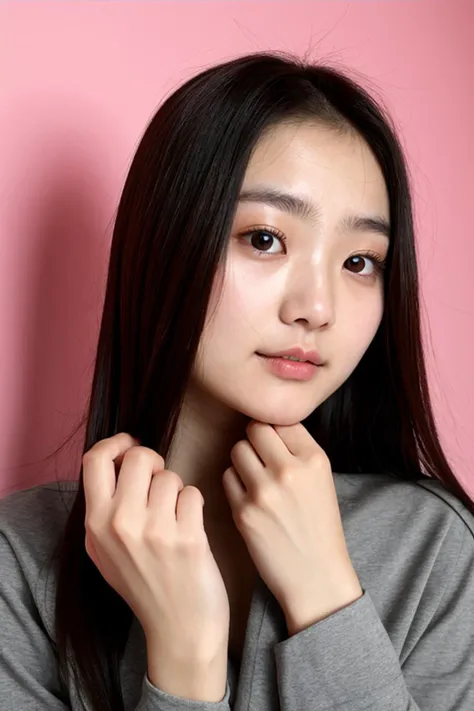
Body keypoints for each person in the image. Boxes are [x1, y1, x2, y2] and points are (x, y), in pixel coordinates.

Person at [0, 50, 473, 711]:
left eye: (360, 260)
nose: (317, 307)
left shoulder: (434, 549)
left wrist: (327, 598)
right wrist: (185, 654)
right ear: (170, 238)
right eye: (265, 239)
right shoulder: (20, 562)